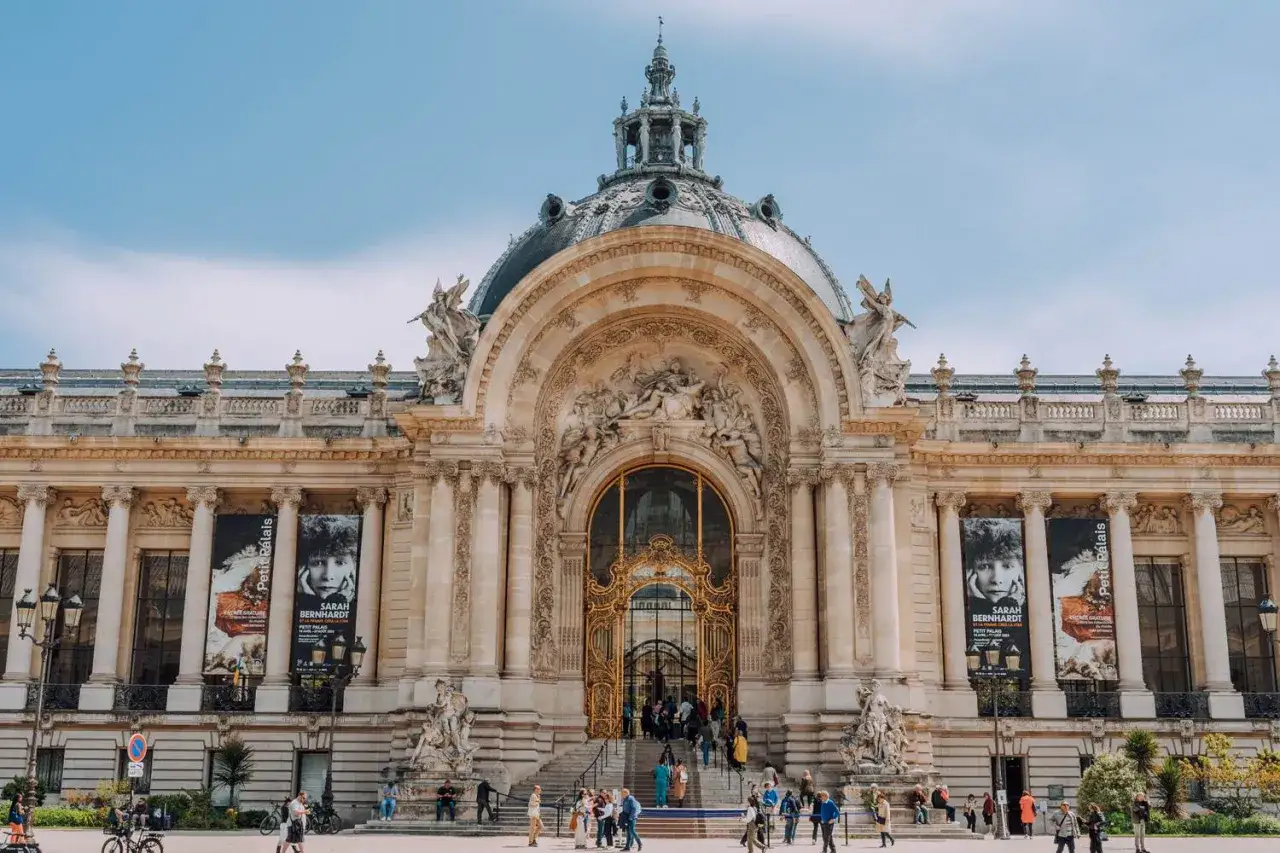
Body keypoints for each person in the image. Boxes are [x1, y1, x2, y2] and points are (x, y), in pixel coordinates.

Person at [619, 787, 643, 851]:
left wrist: (631, 817)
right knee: (628, 833)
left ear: (626, 793)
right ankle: (627, 847)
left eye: (622, 793)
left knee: (632, 831)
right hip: (626, 817)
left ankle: (640, 843)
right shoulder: (625, 799)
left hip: (632, 818)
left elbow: (634, 808)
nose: (621, 795)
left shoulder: (631, 799)